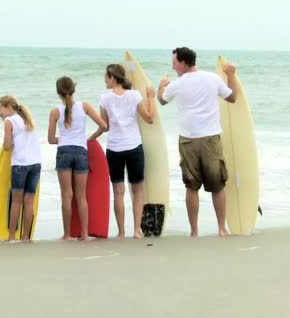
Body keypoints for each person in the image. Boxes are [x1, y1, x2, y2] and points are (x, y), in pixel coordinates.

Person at [157, 47, 239, 237]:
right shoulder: (212, 78)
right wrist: (231, 75)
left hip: (188, 141)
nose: (173, 66)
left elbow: (161, 100)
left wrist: (161, 85)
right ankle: (221, 229)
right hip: (211, 140)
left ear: (184, 63)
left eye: (175, 63)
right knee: (217, 185)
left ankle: (194, 231)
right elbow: (233, 97)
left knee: (191, 186)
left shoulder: (176, 84)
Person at [89, 64, 155, 239]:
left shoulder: (104, 99)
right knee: (137, 191)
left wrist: (91, 137)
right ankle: (137, 230)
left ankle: (121, 232)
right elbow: (149, 118)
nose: (104, 80)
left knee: (118, 191)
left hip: (114, 149)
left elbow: (105, 126)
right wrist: (151, 98)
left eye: (106, 76)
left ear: (112, 77)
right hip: (134, 148)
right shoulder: (134, 95)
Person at [48, 76, 108, 240]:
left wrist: (64, 139)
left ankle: (67, 235)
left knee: (66, 195)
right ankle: (84, 234)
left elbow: (51, 139)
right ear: (74, 89)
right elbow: (104, 126)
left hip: (64, 152)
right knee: (81, 196)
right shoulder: (85, 106)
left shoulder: (55, 111)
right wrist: (90, 138)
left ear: (58, 92)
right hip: (81, 151)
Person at [0, 95, 41, 241]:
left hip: (20, 165)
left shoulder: (9, 121)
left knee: (16, 202)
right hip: (35, 164)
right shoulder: (28, 119)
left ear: (9, 107)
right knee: (29, 202)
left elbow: (7, 147)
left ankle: (11, 238)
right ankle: (26, 237)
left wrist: (6, 144)